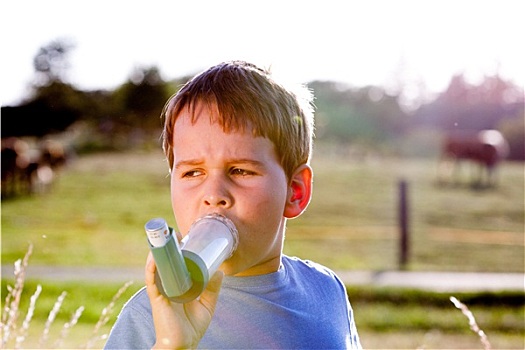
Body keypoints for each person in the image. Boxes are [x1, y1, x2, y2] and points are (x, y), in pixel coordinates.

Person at [105, 61, 361, 349]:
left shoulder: (326, 290)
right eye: (193, 172)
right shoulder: (152, 316)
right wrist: (170, 344)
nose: (214, 194)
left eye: (240, 170)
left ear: (295, 191)